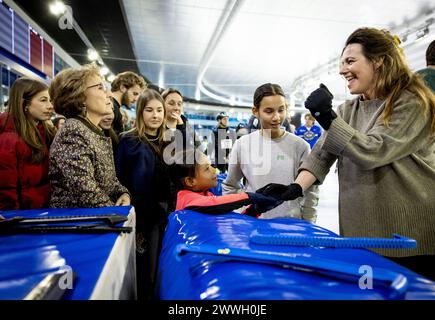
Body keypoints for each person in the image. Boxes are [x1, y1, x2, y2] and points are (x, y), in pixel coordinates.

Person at [258, 28, 435, 280]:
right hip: (361, 236)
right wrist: (294, 189)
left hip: (409, 239)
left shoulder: (413, 102)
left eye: (350, 61)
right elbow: (321, 154)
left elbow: (374, 150)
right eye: (341, 63)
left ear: (378, 61)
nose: (342, 70)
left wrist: (328, 118)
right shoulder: (347, 109)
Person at [223, 83, 318, 222]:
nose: (276, 117)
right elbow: (230, 185)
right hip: (253, 225)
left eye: (281, 110)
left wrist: (309, 224)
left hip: (292, 225)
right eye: (269, 111)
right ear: (255, 111)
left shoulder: (300, 146)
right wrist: (238, 217)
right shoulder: (242, 144)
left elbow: (310, 191)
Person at [115, 89, 174, 300]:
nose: (155, 115)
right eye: (149, 110)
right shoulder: (128, 141)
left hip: (162, 216)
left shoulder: (168, 141)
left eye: (159, 110)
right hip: (140, 218)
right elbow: (121, 180)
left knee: (157, 269)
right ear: (140, 112)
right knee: (144, 273)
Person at [48, 63, 130, 208]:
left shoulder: (92, 130)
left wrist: (122, 193)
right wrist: (119, 213)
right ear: (79, 96)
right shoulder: (72, 131)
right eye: (100, 87)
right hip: (78, 224)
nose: (109, 94)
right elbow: (86, 193)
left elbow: (109, 181)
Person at [169, 149, 282, 216]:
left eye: (211, 166)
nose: (214, 170)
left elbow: (226, 222)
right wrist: (250, 197)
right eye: (207, 168)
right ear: (190, 181)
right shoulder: (185, 198)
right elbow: (214, 204)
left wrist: (254, 211)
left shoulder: (206, 194)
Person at [0, 78, 56, 210]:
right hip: (23, 219)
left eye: (49, 100)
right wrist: (12, 220)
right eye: (43, 100)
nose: (50, 106)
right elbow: (5, 189)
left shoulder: (44, 132)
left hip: (43, 212)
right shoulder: (9, 139)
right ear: (24, 103)